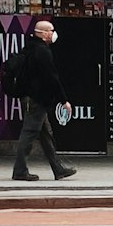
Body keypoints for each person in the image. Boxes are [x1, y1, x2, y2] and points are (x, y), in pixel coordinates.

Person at [11, 18, 77, 182]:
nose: (53, 34)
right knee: (29, 133)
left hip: (31, 98)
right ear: (43, 33)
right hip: (36, 99)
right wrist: (63, 100)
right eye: (51, 30)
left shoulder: (29, 49)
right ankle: (19, 170)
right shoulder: (42, 52)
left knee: (46, 135)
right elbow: (51, 77)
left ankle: (58, 168)